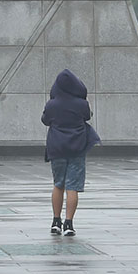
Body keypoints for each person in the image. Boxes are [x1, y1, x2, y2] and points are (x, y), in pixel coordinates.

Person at [42, 69, 99, 237]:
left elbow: (45, 120)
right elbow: (87, 117)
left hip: (57, 147)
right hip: (77, 147)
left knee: (58, 184)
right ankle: (69, 223)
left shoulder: (52, 104)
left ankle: (55, 221)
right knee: (72, 186)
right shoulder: (81, 104)